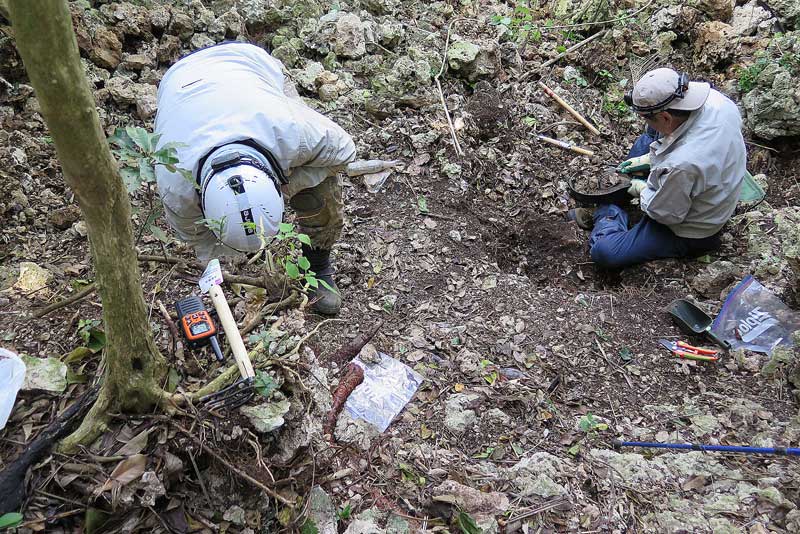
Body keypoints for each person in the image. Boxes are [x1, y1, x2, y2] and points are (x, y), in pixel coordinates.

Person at [154, 42, 356, 315]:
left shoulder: (292, 130)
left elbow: (345, 153)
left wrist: (290, 188)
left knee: (319, 191)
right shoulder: (175, 187)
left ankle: (318, 265)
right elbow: (200, 241)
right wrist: (218, 277)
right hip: (178, 84)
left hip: (249, 64)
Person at [568, 68, 747, 269]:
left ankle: (607, 212)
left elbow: (664, 214)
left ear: (666, 118)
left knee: (606, 252)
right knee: (649, 137)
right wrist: (647, 160)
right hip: (709, 175)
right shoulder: (716, 101)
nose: (643, 121)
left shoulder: (681, 165)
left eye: (645, 117)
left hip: (693, 228)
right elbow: (680, 146)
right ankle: (620, 195)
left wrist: (641, 189)